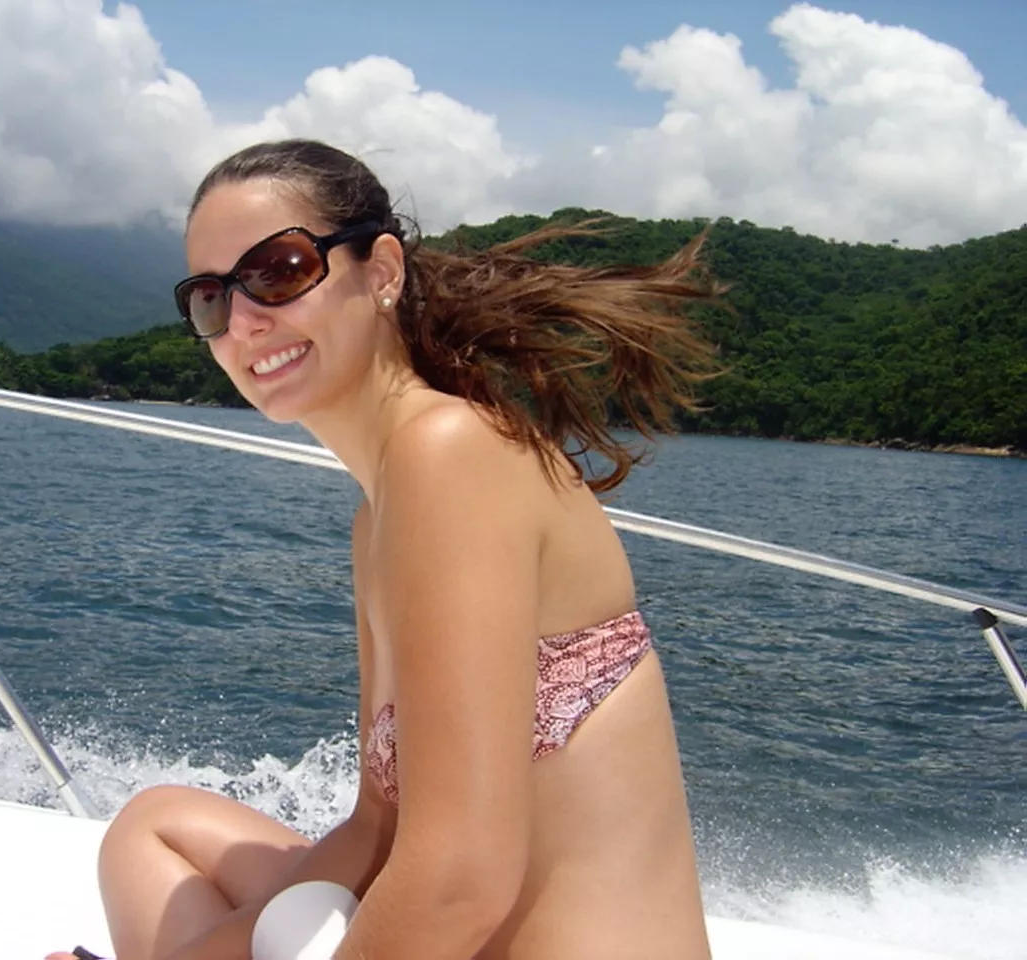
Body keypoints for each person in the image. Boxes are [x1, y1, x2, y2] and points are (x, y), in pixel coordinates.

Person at [52, 138, 722, 960]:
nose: (246, 320)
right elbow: (381, 827)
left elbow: (460, 878)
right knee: (155, 828)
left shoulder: (449, 453)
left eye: (280, 270)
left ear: (381, 272)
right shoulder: (381, 514)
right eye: (211, 299)